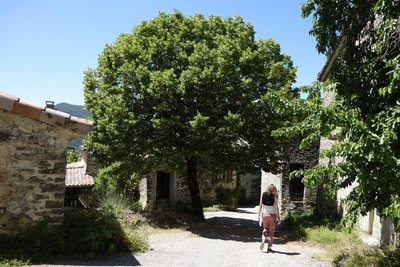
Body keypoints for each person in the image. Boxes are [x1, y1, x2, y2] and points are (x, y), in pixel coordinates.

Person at [258, 184, 280, 252]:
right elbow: (276, 207)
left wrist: (259, 215)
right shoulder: (275, 196)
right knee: (271, 232)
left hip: (264, 214)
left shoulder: (263, 195)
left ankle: (264, 237)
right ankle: (269, 247)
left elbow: (260, 206)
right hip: (272, 215)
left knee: (265, 228)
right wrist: (278, 216)